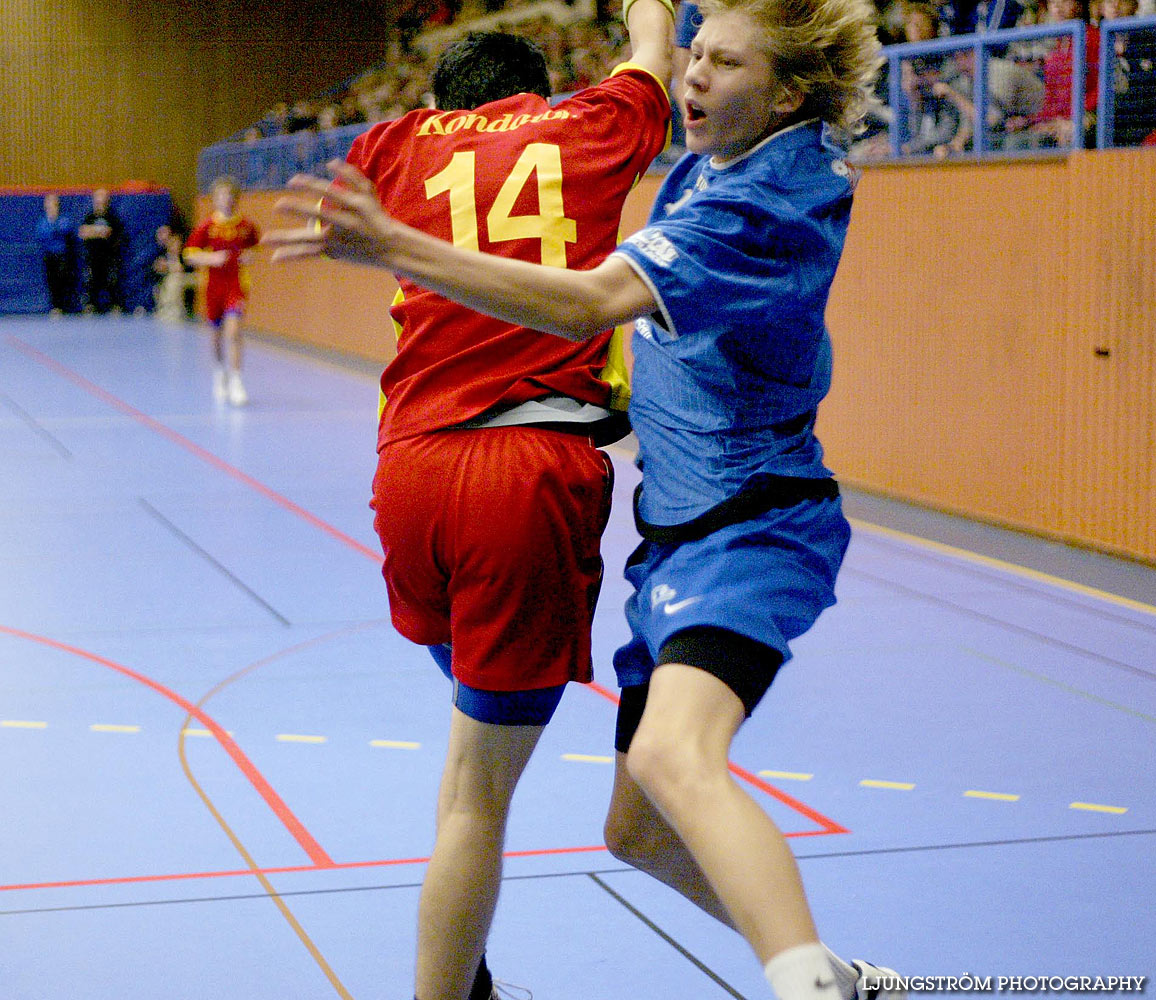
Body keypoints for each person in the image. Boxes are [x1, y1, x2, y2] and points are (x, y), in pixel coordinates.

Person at [266, 0, 906, 997]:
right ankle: (841, 977)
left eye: (723, 62)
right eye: (695, 55)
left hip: (742, 525)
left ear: (784, 91)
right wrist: (663, 32)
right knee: (633, 829)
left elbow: (589, 299)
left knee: (657, 756)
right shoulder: (689, 145)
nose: (693, 75)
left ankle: (807, 986)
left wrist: (394, 244)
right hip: (641, 526)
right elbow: (655, 47)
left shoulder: (762, 202)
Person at [283, 9, 673, 1000]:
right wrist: (652, 9)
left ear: (432, 101)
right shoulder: (587, 125)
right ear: (538, 94)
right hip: (524, 467)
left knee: (472, 737)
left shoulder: (390, 142)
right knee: (477, 792)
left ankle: (466, 970)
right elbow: (651, 62)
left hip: (409, 468)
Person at [183, 176, 260, 406]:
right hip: (213, 286)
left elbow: (254, 248)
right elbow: (189, 254)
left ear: (236, 199)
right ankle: (220, 372)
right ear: (215, 200)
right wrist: (211, 258)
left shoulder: (246, 226)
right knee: (216, 335)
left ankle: (237, 381)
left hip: (236, 285)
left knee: (234, 332)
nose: (226, 200)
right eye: (221, 196)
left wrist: (250, 257)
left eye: (230, 196)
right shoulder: (207, 226)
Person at [1004, 0, 1100, 149]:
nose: (1058, 6)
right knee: (1014, 141)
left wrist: (1070, 120)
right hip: (1060, 119)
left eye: (1065, 1)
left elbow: (1101, 88)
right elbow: (1051, 100)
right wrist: (1030, 120)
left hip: (1088, 115)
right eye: (1053, 2)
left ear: (1079, 5)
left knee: (1060, 138)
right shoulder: (1058, 45)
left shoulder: (1093, 38)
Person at [78, 187, 124, 314]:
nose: (100, 201)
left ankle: (114, 305)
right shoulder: (89, 217)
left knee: (111, 281)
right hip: (92, 256)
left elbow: (110, 232)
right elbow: (82, 232)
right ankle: (91, 305)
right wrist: (99, 231)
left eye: (103, 198)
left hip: (109, 256)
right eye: (97, 198)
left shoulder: (112, 218)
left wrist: (93, 231)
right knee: (91, 281)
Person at [35, 193, 76, 316]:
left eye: (54, 205)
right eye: (49, 204)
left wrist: (55, 226)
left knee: (63, 280)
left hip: (62, 255)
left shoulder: (64, 219)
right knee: (52, 281)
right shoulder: (42, 222)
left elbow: (66, 230)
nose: (51, 207)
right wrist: (53, 228)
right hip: (49, 255)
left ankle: (66, 306)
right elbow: (41, 234)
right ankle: (55, 306)